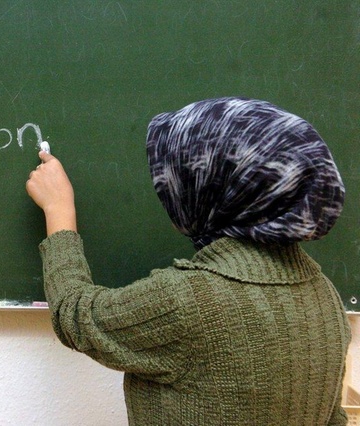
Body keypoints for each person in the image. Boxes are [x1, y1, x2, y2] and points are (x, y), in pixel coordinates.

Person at [25, 97, 351, 425]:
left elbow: (75, 316)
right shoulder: (326, 299)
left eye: (181, 176)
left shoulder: (191, 300)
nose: (169, 190)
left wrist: (58, 209)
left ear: (217, 187)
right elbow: (333, 419)